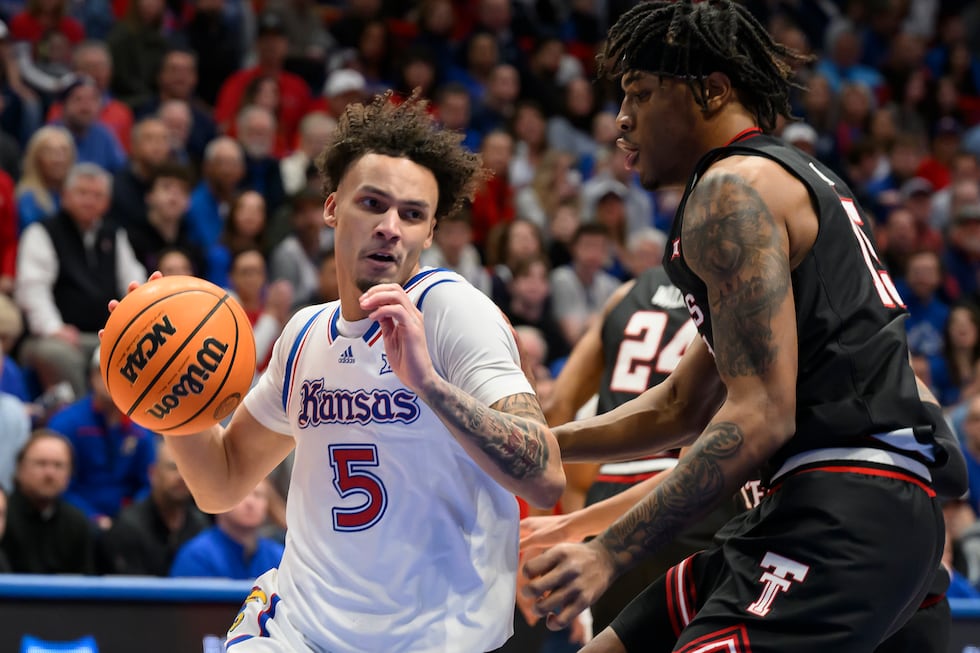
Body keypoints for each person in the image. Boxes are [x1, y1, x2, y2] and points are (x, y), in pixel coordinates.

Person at [521, 3, 965, 652]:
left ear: (712, 90)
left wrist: (608, 550)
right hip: (811, 507)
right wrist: (538, 447)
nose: (621, 119)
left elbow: (761, 414)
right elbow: (682, 403)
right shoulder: (781, 177)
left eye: (641, 94)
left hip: (842, 507)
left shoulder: (731, 192)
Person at [110, 93, 564, 652]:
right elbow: (220, 483)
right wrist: (170, 386)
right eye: (372, 203)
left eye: (413, 214)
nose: (391, 227)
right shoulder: (303, 334)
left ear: (429, 232)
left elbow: (545, 477)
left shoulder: (453, 312)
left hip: (434, 640)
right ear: (331, 208)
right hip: (300, 631)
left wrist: (429, 385)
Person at [46, 348, 156, 530]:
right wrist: (92, 517)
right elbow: (60, 483)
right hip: (75, 518)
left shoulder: (140, 427)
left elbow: (148, 481)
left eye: (120, 372)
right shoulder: (67, 423)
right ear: (91, 376)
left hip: (128, 520)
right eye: (103, 372)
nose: (110, 380)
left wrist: (130, 516)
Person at [99, 437, 210, 576]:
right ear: (153, 474)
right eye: (173, 467)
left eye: (187, 469)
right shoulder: (128, 527)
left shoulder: (199, 524)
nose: (181, 477)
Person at [0, 430, 94, 574]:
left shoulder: (77, 522)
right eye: (41, 464)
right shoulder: (3, 516)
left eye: (58, 465)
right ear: (19, 468)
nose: (50, 474)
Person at [169, 479, 284, 580]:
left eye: (258, 495)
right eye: (241, 494)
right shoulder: (196, 556)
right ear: (219, 501)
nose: (250, 503)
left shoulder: (279, 557)